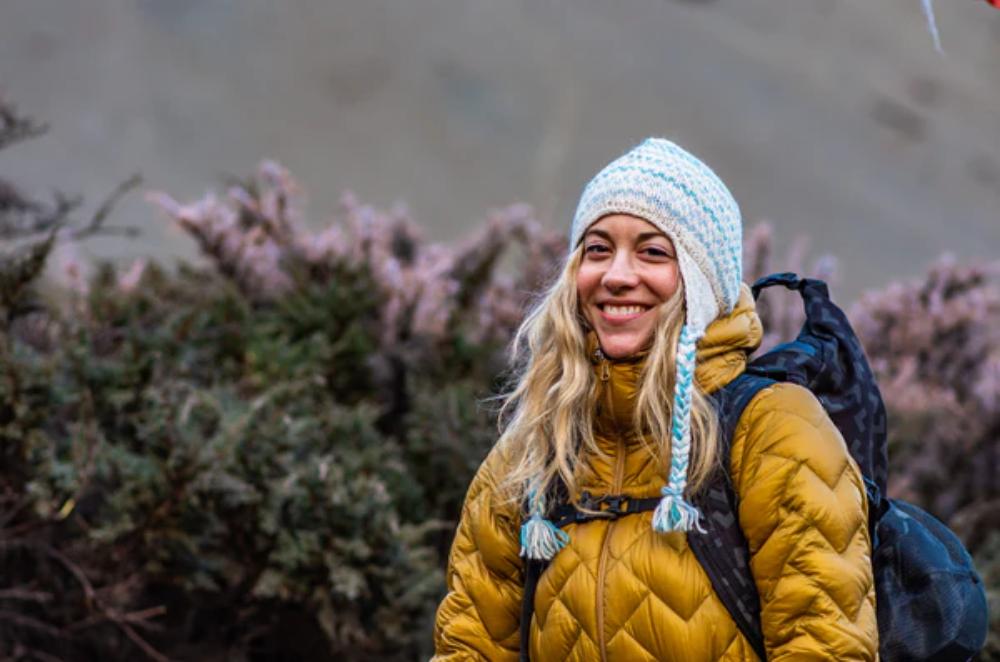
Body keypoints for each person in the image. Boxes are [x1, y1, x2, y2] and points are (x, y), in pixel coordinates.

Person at [432, 138, 878, 661]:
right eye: (597, 249)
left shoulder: (773, 429)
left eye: (653, 252)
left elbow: (826, 645)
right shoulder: (533, 452)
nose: (618, 276)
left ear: (701, 282)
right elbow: (470, 647)